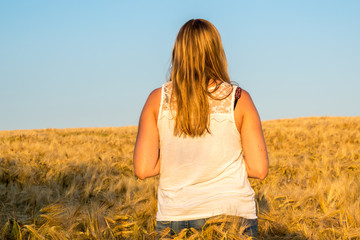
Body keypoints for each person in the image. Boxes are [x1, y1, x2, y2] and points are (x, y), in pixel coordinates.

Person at [133, 19, 268, 238]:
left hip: (174, 219)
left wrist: (181, 159)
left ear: (178, 52)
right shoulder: (239, 99)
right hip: (233, 217)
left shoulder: (156, 100)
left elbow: (143, 169)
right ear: (216, 51)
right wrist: (218, 158)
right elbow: (258, 169)